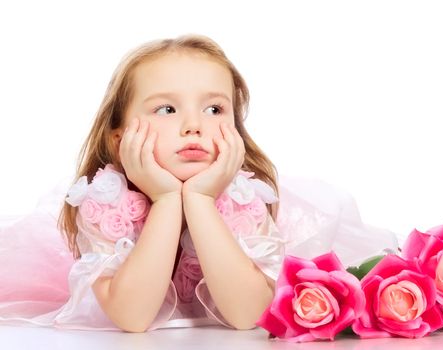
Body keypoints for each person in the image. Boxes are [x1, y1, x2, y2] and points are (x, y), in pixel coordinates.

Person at [0, 34, 398, 332]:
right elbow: (133, 318)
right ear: (119, 137)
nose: (194, 125)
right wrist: (167, 198)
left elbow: (247, 316)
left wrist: (203, 201)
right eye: (167, 108)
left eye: (214, 108)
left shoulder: (242, 201)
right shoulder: (107, 203)